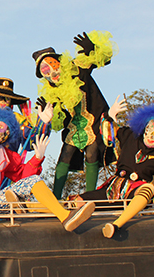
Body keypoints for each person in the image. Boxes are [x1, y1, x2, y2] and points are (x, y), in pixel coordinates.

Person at [0, 107, 95, 273]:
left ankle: (65, 217)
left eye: (6, 133)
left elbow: (23, 175)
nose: (0, 134)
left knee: (33, 180)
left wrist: (38, 158)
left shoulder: (6, 155)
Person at [76, 98, 154, 238]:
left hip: (137, 193)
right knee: (78, 200)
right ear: (144, 129)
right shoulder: (130, 137)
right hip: (114, 189)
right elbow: (109, 137)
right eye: (149, 131)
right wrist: (109, 116)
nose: (151, 137)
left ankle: (115, 225)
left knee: (149, 188)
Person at [33, 31, 116, 198]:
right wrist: (49, 114)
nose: (51, 73)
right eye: (45, 71)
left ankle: (90, 197)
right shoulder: (52, 91)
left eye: (52, 65)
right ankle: (55, 197)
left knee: (93, 153)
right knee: (66, 154)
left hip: (95, 121)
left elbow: (104, 60)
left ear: (58, 62)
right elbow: (57, 119)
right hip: (75, 126)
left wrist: (92, 50)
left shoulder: (77, 68)